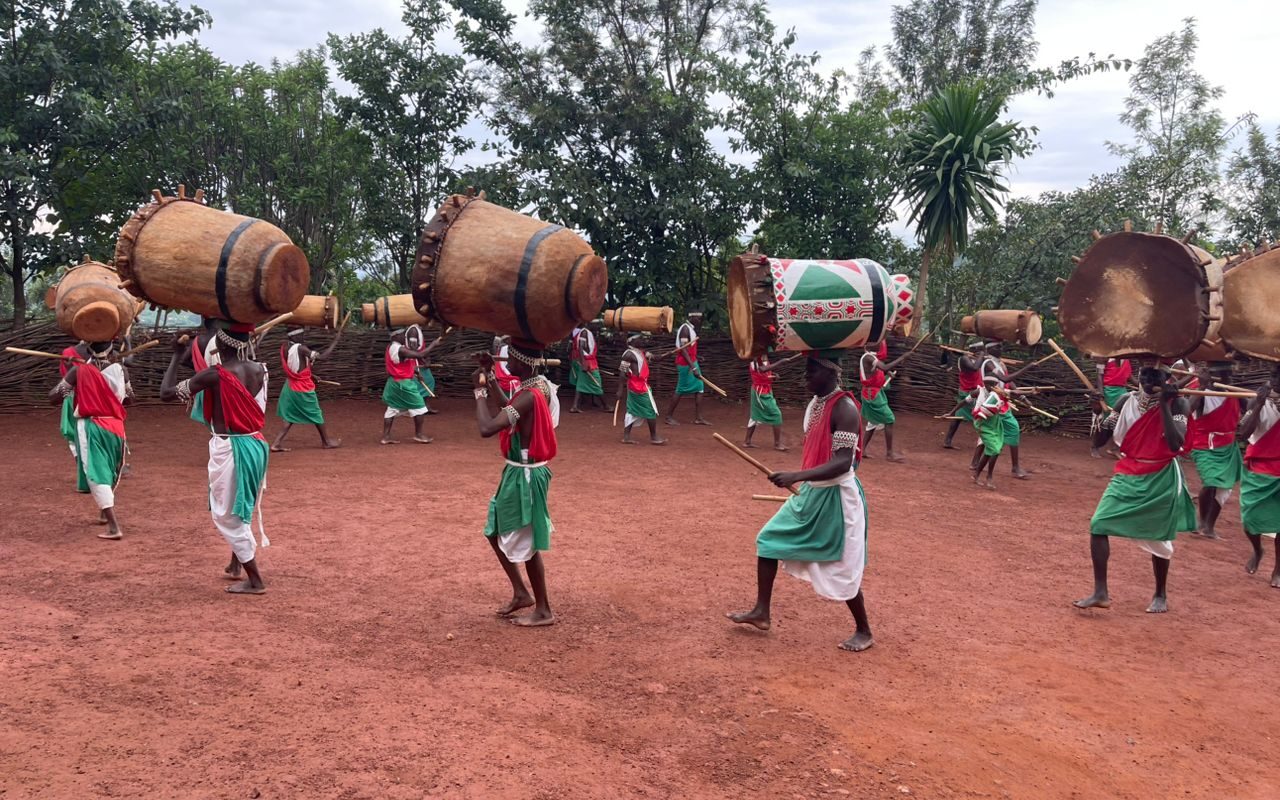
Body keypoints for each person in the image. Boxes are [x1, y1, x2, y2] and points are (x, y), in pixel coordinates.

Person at [727, 351, 873, 652]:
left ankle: (864, 630)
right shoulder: (817, 404)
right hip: (811, 493)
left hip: (837, 498)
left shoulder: (845, 408)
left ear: (832, 372)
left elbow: (844, 462)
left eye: (811, 372)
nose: (805, 378)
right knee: (768, 540)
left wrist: (797, 474)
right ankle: (761, 611)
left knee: (844, 566)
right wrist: (803, 479)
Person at [1075, 364, 1195, 613]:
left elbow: (1175, 444)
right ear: (1138, 376)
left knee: (1159, 539)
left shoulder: (1179, 404)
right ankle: (1100, 592)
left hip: (1161, 475)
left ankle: (1160, 594)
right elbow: (1099, 441)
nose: (1149, 379)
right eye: (1145, 374)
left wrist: (1164, 403)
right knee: (1099, 523)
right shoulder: (1124, 401)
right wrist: (1098, 412)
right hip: (1128, 471)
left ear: (1167, 377)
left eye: (1156, 375)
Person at [160, 324, 270, 594]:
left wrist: (176, 355)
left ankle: (255, 580)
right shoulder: (261, 370)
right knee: (240, 503)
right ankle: (236, 564)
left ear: (221, 347)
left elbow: (166, 393)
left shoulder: (215, 376)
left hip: (231, 447)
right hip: (255, 444)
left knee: (227, 515)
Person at [472, 342, 561, 626]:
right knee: (494, 530)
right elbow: (508, 408)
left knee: (528, 540)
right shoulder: (537, 388)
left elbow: (487, 428)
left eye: (510, 356)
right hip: (518, 471)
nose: (505, 359)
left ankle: (544, 610)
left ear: (523, 363)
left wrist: (479, 390)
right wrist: (492, 376)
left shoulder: (529, 395)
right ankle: (522, 593)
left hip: (525, 474)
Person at [48, 340, 133, 540]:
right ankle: (105, 512)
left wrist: (74, 381)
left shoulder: (79, 371)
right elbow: (130, 399)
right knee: (112, 470)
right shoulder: (121, 371)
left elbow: (53, 397)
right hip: (116, 426)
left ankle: (114, 527)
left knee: (96, 473)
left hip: (91, 426)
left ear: (87, 350)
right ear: (112, 349)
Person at [1186, 363, 1244, 539]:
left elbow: (1252, 407)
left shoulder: (1235, 392)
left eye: (1229, 375)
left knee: (1224, 489)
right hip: (1205, 444)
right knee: (1210, 481)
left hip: (1228, 445)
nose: (1228, 379)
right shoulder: (1200, 392)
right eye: (1224, 375)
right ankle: (1202, 521)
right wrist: (1202, 387)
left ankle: (1209, 527)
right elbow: (1188, 409)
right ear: (1212, 375)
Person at [1237, 365, 1280, 588]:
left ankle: (1278, 569)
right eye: (1274, 375)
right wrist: (1259, 405)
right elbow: (1243, 434)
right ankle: (1257, 549)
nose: (1276, 380)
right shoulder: (1258, 400)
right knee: (1249, 519)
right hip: (1260, 467)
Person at [272, 327, 343, 452]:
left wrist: (312, 375)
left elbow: (296, 367)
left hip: (289, 386)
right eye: (301, 335)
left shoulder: (285, 347)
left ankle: (276, 444)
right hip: (301, 387)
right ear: (294, 336)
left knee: (289, 417)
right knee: (316, 413)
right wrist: (336, 341)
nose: (303, 337)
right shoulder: (300, 348)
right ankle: (326, 442)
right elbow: (322, 357)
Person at [979, 342, 1031, 479]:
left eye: (1001, 346)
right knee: (991, 439)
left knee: (1012, 430)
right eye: (997, 347)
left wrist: (1023, 396)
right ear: (989, 349)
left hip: (1001, 404)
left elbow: (1008, 382)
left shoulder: (1000, 364)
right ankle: (980, 469)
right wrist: (1028, 367)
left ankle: (1015, 467)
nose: (1001, 349)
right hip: (990, 404)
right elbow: (1004, 378)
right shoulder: (988, 363)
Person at [858, 340, 909, 462]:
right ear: (868, 345)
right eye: (877, 341)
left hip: (873, 394)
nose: (880, 343)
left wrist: (888, 373)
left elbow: (880, 370)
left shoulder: (870, 357)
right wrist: (902, 357)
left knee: (872, 422)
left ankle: (863, 450)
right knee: (889, 419)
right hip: (872, 395)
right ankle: (889, 454)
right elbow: (884, 367)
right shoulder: (868, 357)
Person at [381, 329, 433, 445]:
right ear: (395, 337)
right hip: (403, 384)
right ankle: (419, 435)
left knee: (392, 409)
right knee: (419, 407)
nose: (404, 337)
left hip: (394, 383)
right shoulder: (399, 349)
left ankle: (386, 437)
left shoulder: (392, 347)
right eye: (402, 335)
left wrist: (415, 373)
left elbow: (400, 365)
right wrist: (433, 344)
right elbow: (420, 354)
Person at [617, 334, 666, 445]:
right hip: (637, 386)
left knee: (632, 410)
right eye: (639, 338)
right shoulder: (628, 354)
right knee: (651, 409)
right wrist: (620, 389)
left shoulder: (641, 352)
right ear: (632, 341)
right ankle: (654, 437)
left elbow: (655, 358)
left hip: (640, 385)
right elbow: (622, 372)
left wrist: (666, 355)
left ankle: (626, 437)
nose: (642, 340)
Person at [665, 312, 710, 425]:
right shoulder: (685, 329)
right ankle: (668, 417)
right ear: (691, 317)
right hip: (685, 364)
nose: (699, 321)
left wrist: (696, 358)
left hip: (691, 362)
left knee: (700, 387)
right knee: (680, 389)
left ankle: (698, 418)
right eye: (698, 319)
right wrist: (693, 367)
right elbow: (684, 350)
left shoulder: (690, 329)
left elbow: (688, 349)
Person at [177, 318, 223, 427]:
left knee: (212, 418)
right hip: (222, 381)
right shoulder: (223, 340)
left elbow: (183, 360)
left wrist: (201, 371)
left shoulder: (197, 341)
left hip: (204, 382)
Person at [57, 339, 92, 470]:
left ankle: (86, 467)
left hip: (87, 397)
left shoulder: (69, 352)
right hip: (77, 397)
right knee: (75, 434)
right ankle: (83, 466)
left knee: (81, 434)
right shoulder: (68, 353)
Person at [943, 341, 984, 450]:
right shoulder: (964, 359)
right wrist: (982, 356)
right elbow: (974, 368)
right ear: (975, 350)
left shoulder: (975, 358)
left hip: (975, 391)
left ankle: (947, 440)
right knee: (980, 416)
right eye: (980, 350)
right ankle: (985, 442)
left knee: (958, 416)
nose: (981, 352)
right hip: (968, 391)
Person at [969, 374, 1008, 490]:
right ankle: (989, 477)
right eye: (988, 384)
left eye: (993, 384)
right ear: (984, 384)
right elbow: (966, 401)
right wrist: (952, 412)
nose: (991, 386)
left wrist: (1031, 391)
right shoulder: (979, 392)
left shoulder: (997, 393)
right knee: (995, 450)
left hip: (994, 422)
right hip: (983, 423)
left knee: (992, 449)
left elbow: (1015, 393)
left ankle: (976, 475)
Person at [743, 354, 786, 451]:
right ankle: (777, 444)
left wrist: (773, 376)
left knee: (755, 416)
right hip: (760, 392)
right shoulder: (755, 360)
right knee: (776, 414)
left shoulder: (762, 358)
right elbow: (762, 369)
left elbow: (764, 372)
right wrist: (781, 362)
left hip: (764, 390)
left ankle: (747, 441)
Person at [406, 325, 445, 414]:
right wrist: (433, 345)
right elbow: (413, 352)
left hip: (419, 362)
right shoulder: (413, 330)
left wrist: (427, 360)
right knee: (416, 384)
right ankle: (413, 408)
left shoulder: (417, 329)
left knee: (428, 380)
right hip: (413, 363)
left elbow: (419, 349)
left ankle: (424, 406)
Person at [570, 324, 606, 412]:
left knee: (580, 383)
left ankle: (575, 405)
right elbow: (581, 347)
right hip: (587, 361)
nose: (598, 327)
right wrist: (583, 363)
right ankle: (605, 405)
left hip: (586, 360)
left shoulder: (584, 332)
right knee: (596, 382)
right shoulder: (585, 332)